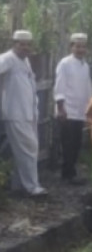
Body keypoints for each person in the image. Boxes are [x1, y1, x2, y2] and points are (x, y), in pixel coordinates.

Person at [0, 30, 46, 196]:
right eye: (21, 44)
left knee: (25, 149)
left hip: (28, 111)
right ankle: (32, 186)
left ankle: (18, 185)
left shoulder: (25, 60)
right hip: (15, 112)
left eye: (27, 44)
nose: (25, 47)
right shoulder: (7, 59)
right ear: (14, 44)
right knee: (28, 148)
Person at [54, 33, 92, 184]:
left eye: (83, 46)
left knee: (77, 143)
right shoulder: (65, 63)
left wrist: (90, 108)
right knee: (68, 144)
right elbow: (59, 86)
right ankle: (66, 174)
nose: (80, 49)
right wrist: (61, 108)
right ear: (71, 47)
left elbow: (87, 88)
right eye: (77, 46)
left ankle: (72, 172)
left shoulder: (85, 65)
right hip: (67, 110)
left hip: (80, 110)